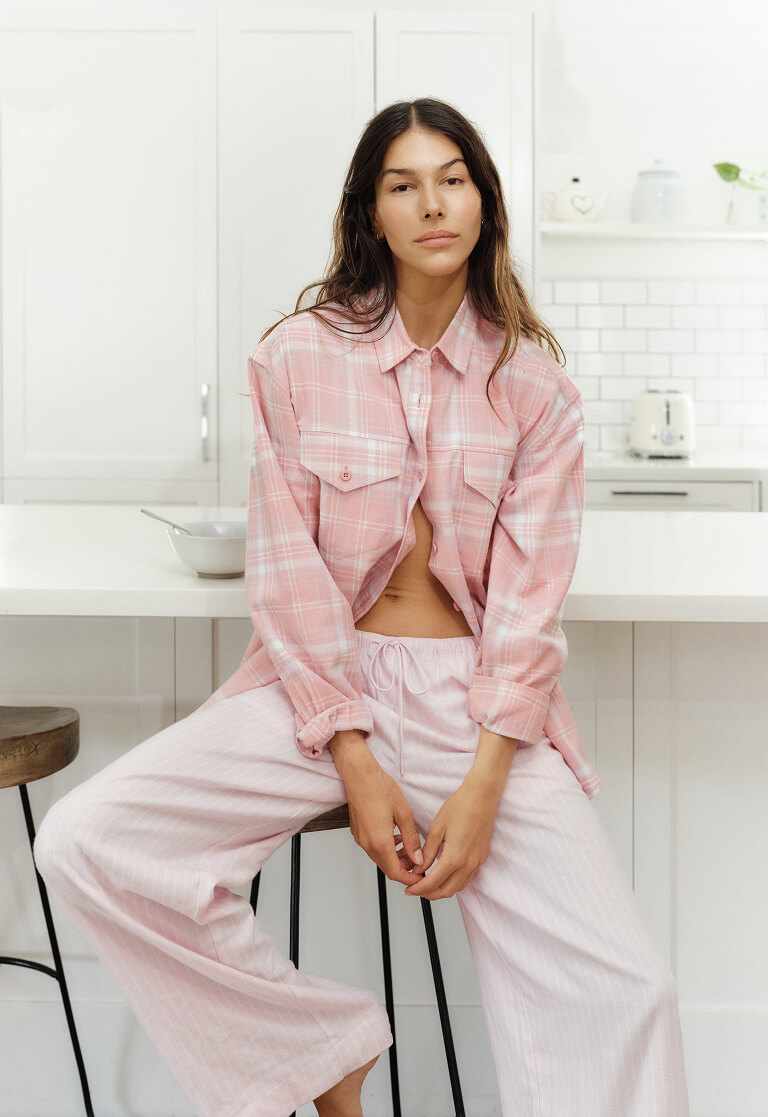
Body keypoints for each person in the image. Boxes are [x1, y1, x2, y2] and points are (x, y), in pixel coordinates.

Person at [33, 98, 690, 1116]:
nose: (433, 203)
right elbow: (287, 575)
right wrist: (353, 752)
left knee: (627, 986)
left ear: (485, 200)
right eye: (403, 184)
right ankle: (317, 1050)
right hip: (322, 688)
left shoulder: (536, 390)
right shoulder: (297, 357)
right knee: (87, 840)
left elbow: (527, 607)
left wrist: (479, 786)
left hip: (478, 710)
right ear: (371, 214)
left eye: (453, 178)